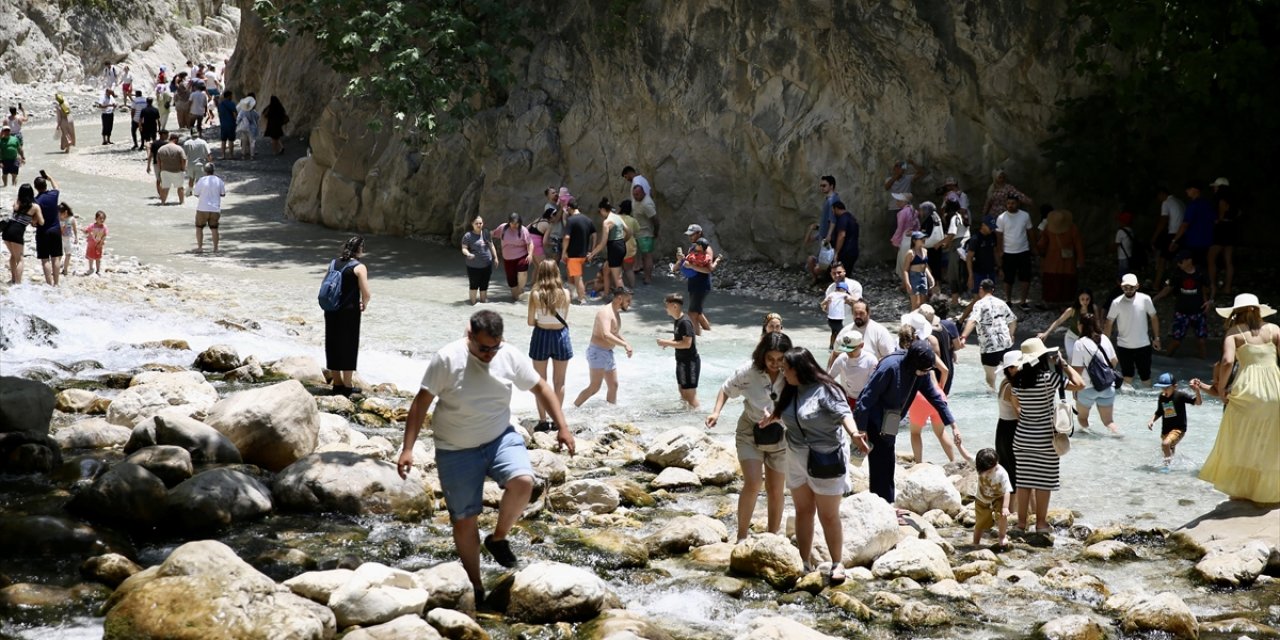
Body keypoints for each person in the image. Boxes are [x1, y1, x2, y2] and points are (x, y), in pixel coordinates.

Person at [395, 310, 576, 604]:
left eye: (494, 346)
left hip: (499, 437)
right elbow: (421, 403)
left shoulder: (508, 355)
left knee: (523, 481)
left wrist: (563, 428)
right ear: (469, 337)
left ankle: (498, 538)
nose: (489, 353)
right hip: (455, 448)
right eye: (483, 348)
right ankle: (477, 587)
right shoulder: (447, 359)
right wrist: (407, 448)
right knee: (465, 520)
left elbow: (541, 386)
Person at [763, 347, 868, 580]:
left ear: (799, 369)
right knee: (803, 510)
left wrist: (853, 434)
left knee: (828, 515)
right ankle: (804, 562)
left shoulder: (826, 390)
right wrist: (772, 417)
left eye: (786, 369)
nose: (783, 373)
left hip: (826, 457)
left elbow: (844, 414)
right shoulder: (790, 388)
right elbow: (790, 414)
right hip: (796, 457)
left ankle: (837, 563)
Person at [706, 331, 793, 541]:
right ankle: (741, 537)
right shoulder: (748, 371)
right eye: (770, 359)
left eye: (780, 359)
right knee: (753, 483)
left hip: (780, 436)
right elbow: (726, 389)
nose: (775, 364)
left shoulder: (792, 371)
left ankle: (772, 538)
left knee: (775, 489)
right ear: (762, 355)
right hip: (749, 432)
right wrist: (716, 412)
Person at [855, 339, 958, 511]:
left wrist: (952, 424)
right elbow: (866, 398)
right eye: (924, 370)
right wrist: (860, 429)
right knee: (879, 462)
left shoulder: (920, 372)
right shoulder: (890, 367)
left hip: (892, 419)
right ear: (913, 361)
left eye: (927, 370)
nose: (925, 373)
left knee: (888, 461)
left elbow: (935, 397)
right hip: (874, 419)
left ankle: (887, 504)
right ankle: (883, 506)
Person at [1195, 294, 1279, 503]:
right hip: (1275, 388)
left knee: (1241, 438)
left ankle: (1242, 490)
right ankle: (1267, 492)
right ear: (1258, 310)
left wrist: (1221, 388)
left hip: (1247, 390)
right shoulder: (1275, 330)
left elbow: (1226, 362)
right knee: (1270, 439)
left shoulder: (1234, 333)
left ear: (1234, 313)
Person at [1009, 338, 1085, 535]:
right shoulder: (1049, 378)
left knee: (1024, 482)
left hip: (1022, 437)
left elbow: (1016, 405)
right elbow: (1080, 384)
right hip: (1045, 438)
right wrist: (1064, 364)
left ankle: (1021, 524)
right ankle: (1041, 524)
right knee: (1044, 482)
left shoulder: (1017, 380)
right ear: (1043, 357)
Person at [526, 260, 572, 432]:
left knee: (540, 381)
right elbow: (564, 318)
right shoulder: (566, 293)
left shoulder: (535, 294)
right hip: (561, 336)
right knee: (559, 382)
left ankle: (543, 420)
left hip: (541, 335)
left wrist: (542, 319)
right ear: (557, 273)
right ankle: (557, 421)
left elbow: (531, 322)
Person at [323, 236, 371, 396]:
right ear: (359, 249)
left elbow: (326, 285)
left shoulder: (333, 263)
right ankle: (348, 386)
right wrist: (364, 303)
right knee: (348, 345)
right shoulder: (359, 267)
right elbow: (366, 293)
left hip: (331, 310)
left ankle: (337, 383)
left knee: (333, 343)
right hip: (349, 312)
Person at [573, 287, 634, 406]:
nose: (629, 303)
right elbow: (606, 334)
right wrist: (624, 345)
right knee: (595, 387)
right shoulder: (605, 313)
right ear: (619, 298)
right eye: (628, 300)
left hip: (608, 352)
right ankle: (574, 407)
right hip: (597, 352)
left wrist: (627, 343)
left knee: (613, 385)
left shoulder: (615, 312)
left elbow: (615, 332)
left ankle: (610, 413)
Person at [960, 279, 1018, 390]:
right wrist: (1011, 334)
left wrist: (963, 337)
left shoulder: (979, 304)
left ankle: (992, 397)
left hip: (989, 346)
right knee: (1010, 377)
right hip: (1005, 344)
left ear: (980, 289)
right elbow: (1013, 320)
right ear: (993, 290)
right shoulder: (1001, 303)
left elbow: (972, 320)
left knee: (990, 381)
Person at [1105, 274, 1161, 388]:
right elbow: (1109, 323)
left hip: (1143, 345)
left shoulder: (1145, 299)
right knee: (1127, 378)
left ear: (1137, 286)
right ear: (1121, 287)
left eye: (1131, 287)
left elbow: (1154, 317)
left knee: (1146, 377)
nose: (1129, 290)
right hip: (1124, 346)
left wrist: (1157, 338)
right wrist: (1106, 345)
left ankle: (1147, 404)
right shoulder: (1116, 302)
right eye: (1125, 287)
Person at [1152, 252, 1211, 358]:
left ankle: (1203, 360)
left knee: (1201, 341)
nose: (1179, 264)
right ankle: (1166, 357)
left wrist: (1209, 301)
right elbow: (1168, 289)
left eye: (1181, 262)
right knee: (1176, 341)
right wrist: (1154, 299)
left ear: (1189, 260)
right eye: (1178, 262)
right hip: (1182, 311)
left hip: (1198, 311)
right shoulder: (1177, 274)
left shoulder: (1200, 272)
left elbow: (1207, 288)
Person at [1070, 312, 1121, 433]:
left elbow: (1077, 371)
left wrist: (1074, 390)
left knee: (1082, 418)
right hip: (1107, 386)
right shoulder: (1104, 338)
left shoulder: (1079, 343)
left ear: (1081, 326)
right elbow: (1114, 361)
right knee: (1109, 422)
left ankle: (1088, 442)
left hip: (1087, 389)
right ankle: (1119, 437)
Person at [954, 441, 1012, 547]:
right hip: (981, 499)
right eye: (982, 472)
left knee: (1002, 517)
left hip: (998, 498)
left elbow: (1007, 491)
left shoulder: (1002, 474)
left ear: (996, 463)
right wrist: (959, 446)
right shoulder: (980, 464)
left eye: (989, 472)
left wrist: (1005, 507)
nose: (985, 474)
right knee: (980, 523)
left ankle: (1002, 536)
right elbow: (966, 456)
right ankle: (976, 542)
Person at [1147, 373, 1202, 469]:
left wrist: (1197, 390)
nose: (1164, 390)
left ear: (1174, 386)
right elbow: (1159, 411)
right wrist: (1152, 420)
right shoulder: (1162, 397)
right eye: (1162, 388)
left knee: (1165, 444)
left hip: (1178, 429)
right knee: (1169, 450)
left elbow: (1198, 402)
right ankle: (1174, 470)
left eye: (1166, 388)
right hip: (1166, 430)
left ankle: (1166, 467)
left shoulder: (1180, 396)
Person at [656, 293, 701, 408]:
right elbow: (679, 338)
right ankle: (685, 414)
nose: (666, 308)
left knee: (690, 394)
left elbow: (687, 344)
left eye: (667, 305)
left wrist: (666, 343)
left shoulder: (684, 322)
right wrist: (669, 341)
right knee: (682, 390)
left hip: (690, 362)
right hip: (681, 361)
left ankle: (697, 416)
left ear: (674, 306)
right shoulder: (677, 320)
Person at [675, 225, 717, 334]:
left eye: (692, 234)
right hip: (693, 283)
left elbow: (708, 270)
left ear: (699, 233)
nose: (690, 237)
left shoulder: (707, 249)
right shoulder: (693, 247)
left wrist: (692, 267)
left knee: (692, 313)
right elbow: (689, 262)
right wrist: (681, 260)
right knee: (698, 312)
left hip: (702, 284)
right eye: (689, 235)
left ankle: (695, 338)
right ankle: (709, 333)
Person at [993, 350, 1024, 500]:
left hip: (1002, 428)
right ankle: (1016, 509)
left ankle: (1009, 508)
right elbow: (1019, 412)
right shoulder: (1011, 388)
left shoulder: (1004, 382)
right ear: (1011, 368)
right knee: (1015, 470)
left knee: (1007, 467)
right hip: (1011, 429)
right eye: (1020, 366)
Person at [1037, 209, 1083, 308]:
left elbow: (1041, 244)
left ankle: (1049, 302)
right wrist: (1080, 260)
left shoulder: (1048, 228)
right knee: (1067, 281)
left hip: (1051, 260)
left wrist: (1040, 252)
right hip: (1068, 260)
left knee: (1051, 280)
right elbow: (1078, 245)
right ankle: (1066, 302)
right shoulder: (1072, 228)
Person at [1037, 288, 1102, 359]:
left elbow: (1097, 323)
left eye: (1087, 299)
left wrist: (1100, 337)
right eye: (1082, 299)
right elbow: (1058, 321)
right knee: (1072, 357)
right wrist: (1046, 333)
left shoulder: (1093, 308)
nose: (1085, 302)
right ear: (1078, 299)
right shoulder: (1071, 310)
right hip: (1072, 337)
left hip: (1087, 337)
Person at [996, 196, 1034, 310]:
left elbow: (1030, 231)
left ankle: (1023, 301)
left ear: (1017, 203)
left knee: (1025, 277)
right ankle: (1008, 300)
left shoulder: (1025, 216)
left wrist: (1034, 246)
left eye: (1013, 203)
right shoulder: (1001, 218)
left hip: (1023, 250)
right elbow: (999, 235)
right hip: (1008, 252)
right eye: (1008, 203)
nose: (1010, 205)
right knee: (1008, 278)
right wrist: (1000, 250)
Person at [1169, 182, 1214, 271]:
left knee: (1189, 266)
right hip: (1207, 241)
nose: (1187, 191)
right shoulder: (1207, 204)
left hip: (1194, 241)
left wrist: (1174, 240)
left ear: (1196, 190)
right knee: (1202, 265)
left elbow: (1185, 224)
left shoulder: (1193, 205)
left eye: (1189, 189)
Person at [587, 198, 630, 290]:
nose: (600, 214)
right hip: (621, 245)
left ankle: (623, 299)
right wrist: (623, 241)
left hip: (614, 248)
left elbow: (603, 243)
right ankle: (606, 293)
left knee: (617, 278)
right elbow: (629, 231)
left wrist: (592, 254)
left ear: (602, 210)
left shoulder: (607, 222)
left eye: (600, 212)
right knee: (606, 270)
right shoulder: (618, 217)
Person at [3, 184, 42, 284]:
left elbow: (18, 215)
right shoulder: (35, 206)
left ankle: (13, 279)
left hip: (6, 230)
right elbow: (41, 222)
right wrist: (35, 219)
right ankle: (18, 283)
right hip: (17, 232)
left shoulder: (17, 202)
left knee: (13, 255)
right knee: (20, 259)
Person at [493, 212, 533, 303]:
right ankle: (517, 299)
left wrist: (530, 254)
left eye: (517, 223)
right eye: (512, 223)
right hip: (508, 258)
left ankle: (521, 289)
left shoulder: (523, 230)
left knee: (522, 269)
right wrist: (483, 235)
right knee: (512, 284)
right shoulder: (503, 228)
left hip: (521, 255)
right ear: (509, 222)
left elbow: (530, 243)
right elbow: (492, 233)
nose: (515, 225)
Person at [828, 330, 877, 402]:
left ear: (861, 345)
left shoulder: (871, 360)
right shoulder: (842, 358)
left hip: (865, 399)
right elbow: (829, 377)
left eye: (851, 350)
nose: (848, 353)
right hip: (847, 398)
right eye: (846, 350)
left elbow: (874, 385)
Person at [1208, 189, 1240, 298]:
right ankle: (1228, 287)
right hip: (1231, 228)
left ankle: (1212, 285)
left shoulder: (1222, 200)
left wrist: (1217, 220)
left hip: (1222, 228)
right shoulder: (1235, 203)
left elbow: (1221, 213)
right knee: (1228, 259)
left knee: (1211, 258)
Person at [1150, 187, 1185, 288]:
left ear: (1162, 194)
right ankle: (1178, 284)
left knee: (1162, 259)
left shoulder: (1166, 202)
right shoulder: (1180, 202)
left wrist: (1154, 237)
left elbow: (1163, 221)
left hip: (1172, 233)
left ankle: (1156, 284)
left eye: (1158, 197)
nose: (1158, 199)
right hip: (1182, 233)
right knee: (1179, 260)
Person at [561, 200, 595, 303]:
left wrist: (563, 252)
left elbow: (567, 237)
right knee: (571, 274)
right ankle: (571, 295)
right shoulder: (588, 220)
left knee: (578, 277)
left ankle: (582, 298)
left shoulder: (571, 220)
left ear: (570, 208)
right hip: (583, 254)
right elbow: (595, 234)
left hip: (573, 254)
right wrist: (592, 251)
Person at [33, 174, 62, 286]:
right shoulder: (53, 195)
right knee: (56, 257)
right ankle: (57, 283)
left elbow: (34, 220)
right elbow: (56, 187)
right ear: (46, 185)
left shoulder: (35, 201)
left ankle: (49, 284)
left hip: (42, 231)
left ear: (36, 187)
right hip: (55, 229)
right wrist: (50, 177)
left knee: (45, 259)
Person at [192, 163, 226, 253]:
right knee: (214, 229)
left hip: (202, 207)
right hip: (215, 208)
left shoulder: (201, 180)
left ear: (205, 171)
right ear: (213, 170)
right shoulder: (219, 180)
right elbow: (223, 194)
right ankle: (215, 248)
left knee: (199, 227)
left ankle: (200, 247)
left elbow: (196, 193)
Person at [461, 216, 493, 305]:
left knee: (484, 286)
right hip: (473, 266)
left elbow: (491, 245)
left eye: (480, 223)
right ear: (472, 224)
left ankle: (483, 304)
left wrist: (496, 257)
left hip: (487, 265)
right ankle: (472, 305)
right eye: (476, 223)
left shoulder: (486, 233)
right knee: (474, 286)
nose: (479, 225)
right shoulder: (468, 236)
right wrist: (468, 254)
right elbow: (464, 248)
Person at [631, 181, 658, 285]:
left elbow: (655, 220)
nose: (635, 196)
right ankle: (644, 273)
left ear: (643, 193)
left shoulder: (647, 204)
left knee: (647, 256)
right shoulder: (637, 200)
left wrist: (656, 231)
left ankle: (648, 278)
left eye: (637, 194)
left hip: (646, 233)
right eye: (634, 195)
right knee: (643, 256)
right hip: (638, 232)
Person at [965, 215, 998, 295]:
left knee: (990, 294)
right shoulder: (975, 239)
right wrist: (970, 275)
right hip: (978, 272)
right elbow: (969, 258)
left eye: (992, 227)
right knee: (978, 296)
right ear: (983, 225)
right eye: (990, 227)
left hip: (990, 270)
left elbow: (995, 252)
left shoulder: (993, 236)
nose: (991, 229)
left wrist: (999, 267)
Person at [901, 231, 933, 310]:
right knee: (915, 305)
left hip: (923, 277)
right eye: (921, 239)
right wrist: (907, 283)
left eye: (924, 238)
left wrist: (930, 278)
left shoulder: (925, 251)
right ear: (914, 240)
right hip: (914, 277)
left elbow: (925, 267)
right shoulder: (910, 253)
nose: (923, 240)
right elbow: (905, 270)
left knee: (923, 305)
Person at [155, 133, 188, 205]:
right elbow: (184, 159)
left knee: (165, 188)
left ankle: (163, 202)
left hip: (165, 171)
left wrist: (160, 169)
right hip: (177, 171)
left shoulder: (161, 149)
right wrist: (183, 168)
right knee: (180, 187)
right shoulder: (179, 148)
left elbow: (158, 160)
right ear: (175, 140)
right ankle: (181, 202)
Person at [821, 281, 854, 352]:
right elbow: (854, 300)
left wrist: (826, 306)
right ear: (844, 289)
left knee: (834, 332)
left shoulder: (831, 294)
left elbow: (822, 304)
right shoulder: (843, 295)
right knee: (842, 333)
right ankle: (845, 348)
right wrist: (849, 296)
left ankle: (831, 347)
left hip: (830, 319)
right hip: (838, 319)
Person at [618, 200, 640, 288]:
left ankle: (618, 287)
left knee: (617, 269)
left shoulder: (616, 218)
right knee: (629, 269)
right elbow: (637, 230)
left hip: (618, 247)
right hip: (630, 248)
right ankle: (632, 286)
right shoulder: (633, 220)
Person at [82, 210, 107, 276]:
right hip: (91, 244)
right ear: (96, 219)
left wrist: (101, 242)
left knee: (98, 258)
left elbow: (104, 235)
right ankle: (91, 268)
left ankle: (98, 270)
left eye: (103, 218)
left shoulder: (104, 227)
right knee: (91, 257)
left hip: (99, 245)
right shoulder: (92, 226)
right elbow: (87, 231)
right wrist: (83, 230)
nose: (102, 220)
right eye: (100, 218)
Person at [235, 94, 259, 160]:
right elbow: (257, 117)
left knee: (244, 141)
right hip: (252, 129)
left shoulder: (242, 111)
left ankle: (243, 155)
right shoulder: (253, 112)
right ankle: (252, 156)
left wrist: (238, 124)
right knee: (252, 142)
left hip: (244, 128)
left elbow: (238, 119)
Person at [216, 91, 237, 159]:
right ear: (228, 96)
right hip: (231, 124)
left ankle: (223, 155)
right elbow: (234, 113)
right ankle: (231, 155)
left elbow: (219, 114)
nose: (232, 97)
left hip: (223, 124)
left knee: (223, 140)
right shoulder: (232, 104)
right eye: (231, 96)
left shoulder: (220, 104)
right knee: (231, 140)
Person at [57, 204, 76, 276]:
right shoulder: (58, 220)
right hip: (60, 239)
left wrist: (76, 237)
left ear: (65, 212)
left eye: (60, 214)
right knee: (59, 255)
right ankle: (56, 269)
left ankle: (65, 269)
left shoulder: (71, 219)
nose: (59, 215)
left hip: (68, 239)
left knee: (68, 254)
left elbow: (74, 228)